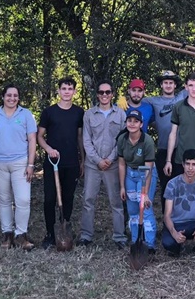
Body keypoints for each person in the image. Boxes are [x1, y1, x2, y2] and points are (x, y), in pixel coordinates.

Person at [142, 55, 195, 209]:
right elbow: (135, 101)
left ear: (176, 85)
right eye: (165, 82)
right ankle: (167, 221)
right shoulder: (152, 101)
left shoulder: (182, 97)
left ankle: (183, 219)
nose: (168, 85)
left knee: (184, 186)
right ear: (161, 85)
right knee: (167, 187)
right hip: (164, 149)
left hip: (182, 149)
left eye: (171, 82)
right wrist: (123, 100)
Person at [0, 84, 37, 251]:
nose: (12, 98)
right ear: (3, 97)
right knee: (4, 200)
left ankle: (21, 234)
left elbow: (32, 140)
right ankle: (7, 234)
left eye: (15, 95)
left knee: (23, 200)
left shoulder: (26, 115)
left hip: (20, 162)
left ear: (19, 98)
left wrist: (31, 164)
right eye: (9, 95)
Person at [37, 77, 85, 250]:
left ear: (74, 92)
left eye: (70, 88)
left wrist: (82, 160)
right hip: (53, 162)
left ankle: (64, 226)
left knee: (68, 198)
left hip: (71, 162)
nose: (66, 91)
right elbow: (39, 136)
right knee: (50, 198)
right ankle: (50, 233)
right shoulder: (49, 112)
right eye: (63, 88)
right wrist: (48, 149)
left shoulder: (79, 112)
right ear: (58, 91)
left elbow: (80, 137)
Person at [80, 80, 126, 248]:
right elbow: (86, 140)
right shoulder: (89, 114)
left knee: (116, 201)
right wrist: (98, 160)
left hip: (113, 165)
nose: (104, 95)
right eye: (101, 92)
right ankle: (86, 235)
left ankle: (119, 237)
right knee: (88, 199)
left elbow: (122, 139)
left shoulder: (120, 114)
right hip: (93, 165)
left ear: (112, 94)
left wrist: (110, 159)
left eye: (108, 92)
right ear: (97, 95)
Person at [118, 109, 158, 252]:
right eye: (130, 121)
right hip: (130, 174)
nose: (132, 124)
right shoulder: (122, 139)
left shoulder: (147, 140)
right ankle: (136, 241)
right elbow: (122, 164)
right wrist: (122, 186)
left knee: (145, 208)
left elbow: (148, 168)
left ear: (141, 124)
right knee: (133, 210)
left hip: (145, 174)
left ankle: (150, 243)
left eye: (136, 121)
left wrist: (145, 192)